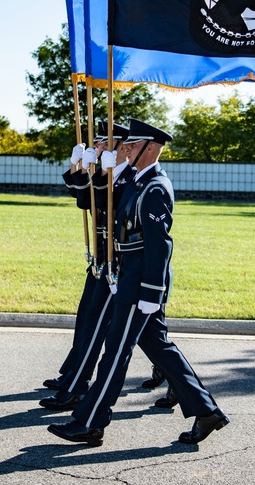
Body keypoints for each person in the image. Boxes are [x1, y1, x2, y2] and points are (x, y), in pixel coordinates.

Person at [48, 119, 228, 446]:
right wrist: (85, 168)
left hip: (141, 282)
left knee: (116, 351)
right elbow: (96, 201)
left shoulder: (156, 188)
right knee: (159, 347)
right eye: (126, 144)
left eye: (132, 145)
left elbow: (161, 246)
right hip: (127, 275)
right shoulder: (135, 180)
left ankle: (90, 421)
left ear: (150, 148)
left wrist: (151, 293)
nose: (125, 149)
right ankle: (206, 411)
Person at [41, 122, 134, 406]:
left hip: (118, 264)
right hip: (101, 260)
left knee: (101, 328)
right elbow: (83, 198)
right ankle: (72, 374)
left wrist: (94, 173)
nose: (99, 148)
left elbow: (107, 202)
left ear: (123, 147)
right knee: (86, 321)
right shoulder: (107, 173)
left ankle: (76, 385)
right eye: (97, 143)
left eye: (105, 143)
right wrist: (78, 167)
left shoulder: (127, 177)